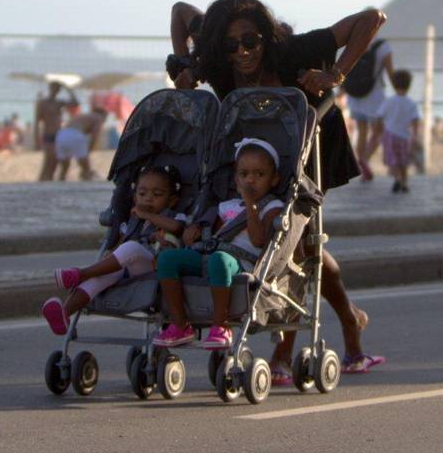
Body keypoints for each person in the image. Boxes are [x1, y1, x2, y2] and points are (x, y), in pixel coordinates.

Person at [169, 0, 387, 379]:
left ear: (265, 38)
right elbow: (181, 12)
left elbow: (372, 17)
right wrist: (187, 63)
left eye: (250, 41)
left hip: (310, 144)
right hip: (254, 153)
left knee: (295, 238)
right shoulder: (219, 66)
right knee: (293, 241)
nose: (242, 52)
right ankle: (349, 318)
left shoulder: (290, 52)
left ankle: (286, 351)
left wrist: (335, 73)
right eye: (231, 44)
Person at [153, 139, 284, 349]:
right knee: (168, 259)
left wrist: (251, 207)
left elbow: (258, 240)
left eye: (259, 175)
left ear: (274, 179)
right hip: (214, 255)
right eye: (244, 175)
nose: (251, 180)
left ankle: (220, 325)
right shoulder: (227, 206)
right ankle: (180, 324)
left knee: (220, 260)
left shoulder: (273, 207)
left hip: (243, 262)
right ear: (236, 179)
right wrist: (194, 231)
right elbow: (214, 233)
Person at [42, 165, 186, 335]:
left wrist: (148, 216)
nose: (148, 199)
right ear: (134, 197)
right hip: (129, 268)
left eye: (157, 194)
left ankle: (80, 274)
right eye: (142, 194)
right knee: (99, 277)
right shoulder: (132, 221)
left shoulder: (172, 216)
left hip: (156, 265)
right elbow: (121, 246)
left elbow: (177, 227)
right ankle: (64, 314)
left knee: (131, 248)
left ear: (171, 200)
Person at [347, 38, 394, 181]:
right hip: (375, 97)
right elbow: (391, 72)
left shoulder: (353, 43)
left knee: (362, 131)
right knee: (379, 131)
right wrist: (400, 92)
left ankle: (362, 168)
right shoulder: (383, 46)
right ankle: (365, 160)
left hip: (355, 96)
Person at [374, 70, 420, 193]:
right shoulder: (411, 103)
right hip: (404, 136)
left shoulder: (388, 101)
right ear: (409, 85)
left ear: (393, 85)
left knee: (392, 160)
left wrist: (377, 132)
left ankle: (398, 179)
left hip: (389, 134)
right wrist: (415, 135)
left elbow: (379, 117)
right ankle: (405, 183)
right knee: (403, 161)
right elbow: (415, 120)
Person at [34, 81, 79, 181]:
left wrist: (69, 89)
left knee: (60, 161)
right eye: (54, 88)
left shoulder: (59, 103)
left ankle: (53, 181)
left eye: (58, 89)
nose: (56, 90)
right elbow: (37, 122)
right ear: (50, 88)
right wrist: (36, 140)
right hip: (48, 134)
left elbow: (75, 103)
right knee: (49, 162)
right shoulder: (42, 103)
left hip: (59, 134)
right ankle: (43, 181)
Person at [54, 106, 107, 181]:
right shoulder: (98, 118)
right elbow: (95, 136)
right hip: (76, 135)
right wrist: (89, 150)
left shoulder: (83, 115)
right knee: (85, 167)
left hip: (61, 135)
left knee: (64, 166)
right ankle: (86, 181)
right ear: (103, 115)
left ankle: (60, 182)